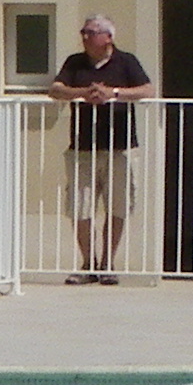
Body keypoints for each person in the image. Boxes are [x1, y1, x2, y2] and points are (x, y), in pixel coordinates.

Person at [50, 14, 149, 282]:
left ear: (108, 37)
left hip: (121, 146)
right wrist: (83, 93)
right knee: (80, 207)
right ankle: (88, 264)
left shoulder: (126, 61)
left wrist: (113, 94)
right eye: (83, 31)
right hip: (83, 147)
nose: (85, 37)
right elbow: (56, 89)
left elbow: (147, 90)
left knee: (117, 206)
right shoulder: (75, 62)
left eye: (91, 32)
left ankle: (107, 264)